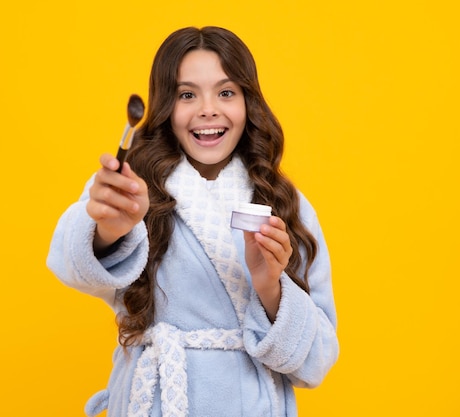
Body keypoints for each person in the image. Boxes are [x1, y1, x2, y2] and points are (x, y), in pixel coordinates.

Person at [47, 26, 339, 417]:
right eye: (187, 94)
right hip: (154, 401)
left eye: (226, 92)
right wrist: (108, 230)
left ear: (248, 103)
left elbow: (316, 362)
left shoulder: (287, 207)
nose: (208, 109)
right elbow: (70, 266)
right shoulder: (132, 191)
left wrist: (270, 287)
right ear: (166, 107)